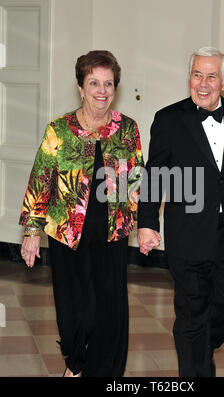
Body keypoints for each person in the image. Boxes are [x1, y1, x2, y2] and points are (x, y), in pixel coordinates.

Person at [137, 47, 224, 377]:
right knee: (191, 312)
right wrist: (146, 223)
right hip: (188, 234)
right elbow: (154, 175)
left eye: (211, 76)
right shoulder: (169, 119)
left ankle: (197, 344)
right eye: (196, 75)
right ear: (189, 78)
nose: (202, 84)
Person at [19, 50, 143, 377]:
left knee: (110, 312)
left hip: (112, 233)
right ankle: (76, 364)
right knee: (76, 311)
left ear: (115, 87)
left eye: (108, 83)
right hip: (68, 234)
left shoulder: (127, 129)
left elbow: (137, 180)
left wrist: (145, 225)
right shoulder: (59, 130)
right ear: (80, 87)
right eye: (94, 83)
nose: (101, 91)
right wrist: (31, 233)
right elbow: (40, 181)